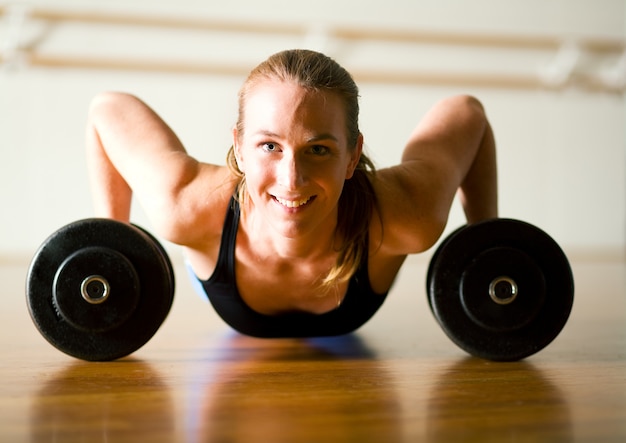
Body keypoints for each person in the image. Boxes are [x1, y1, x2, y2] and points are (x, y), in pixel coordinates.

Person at [86, 49, 497, 338]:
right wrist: (112, 247)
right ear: (240, 147)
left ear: (352, 157)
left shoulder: (407, 214)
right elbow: (107, 107)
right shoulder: (187, 206)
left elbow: (468, 112)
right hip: (216, 261)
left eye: (318, 149)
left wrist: (489, 248)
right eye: (269, 146)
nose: (292, 178)